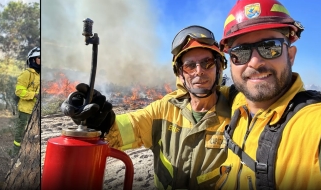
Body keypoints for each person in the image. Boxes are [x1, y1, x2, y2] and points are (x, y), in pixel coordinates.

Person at [62, 26, 232, 189]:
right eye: (189, 65)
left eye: (207, 63)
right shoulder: (163, 109)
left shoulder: (238, 109)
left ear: (219, 67)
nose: (199, 71)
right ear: (180, 73)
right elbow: (124, 128)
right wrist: (101, 121)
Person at [215, 0, 321, 189]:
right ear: (230, 63)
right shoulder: (238, 101)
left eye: (270, 47)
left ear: (290, 55)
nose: (255, 61)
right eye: (240, 52)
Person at [12, 47, 40, 156]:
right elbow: (19, 91)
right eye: (39, 57)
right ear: (33, 60)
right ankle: (14, 158)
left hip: (36, 112)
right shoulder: (27, 73)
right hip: (26, 111)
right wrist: (34, 95)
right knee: (20, 137)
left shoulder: (41, 75)